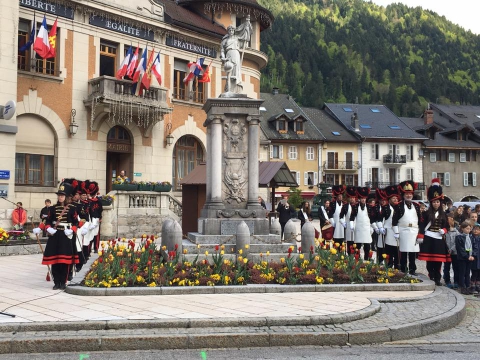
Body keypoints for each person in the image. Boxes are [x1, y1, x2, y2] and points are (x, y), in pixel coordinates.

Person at [36, 182, 80, 290]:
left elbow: (76, 223)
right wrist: (48, 228)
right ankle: (56, 282)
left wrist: (72, 230)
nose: (60, 197)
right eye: (59, 195)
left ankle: (63, 282)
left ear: (66, 197)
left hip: (66, 236)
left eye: (62, 195)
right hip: (55, 236)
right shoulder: (52, 208)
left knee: (64, 262)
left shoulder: (72, 209)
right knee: (54, 261)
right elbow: (48, 221)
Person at [417, 179, 450, 285]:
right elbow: (422, 225)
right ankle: (431, 275)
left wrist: (443, 230)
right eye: (434, 202)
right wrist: (421, 236)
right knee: (430, 260)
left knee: (438, 261)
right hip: (429, 238)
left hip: (439, 239)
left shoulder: (444, 214)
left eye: (438, 202)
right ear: (431, 203)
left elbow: (447, 227)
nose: (436, 203)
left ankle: (437, 277)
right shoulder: (426, 213)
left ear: (440, 203)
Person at [393, 180, 421, 275]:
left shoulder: (416, 206)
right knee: (404, 252)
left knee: (413, 252)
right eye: (407, 194)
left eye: (410, 194)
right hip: (403, 231)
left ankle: (413, 269)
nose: (408, 195)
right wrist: (396, 232)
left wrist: (420, 234)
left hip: (414, 231)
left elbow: (420, 220)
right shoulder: (399, 206)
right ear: (403, 195)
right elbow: (394, 220)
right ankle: (404, 268)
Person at [220, 16, 252, 93]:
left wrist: (247, 23)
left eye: (232, 30)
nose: (231, 31)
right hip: (228, 55)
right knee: (229, 71)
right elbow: (222, 50)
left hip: (236, 54)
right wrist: (223, 58)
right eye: (230, 30)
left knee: (236, 71)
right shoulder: (225, 40)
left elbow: (245, 35)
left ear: (234, 31)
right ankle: (229, 88)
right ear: (228, 31)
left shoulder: (236, 38)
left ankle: (236, 88)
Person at [349, 187, 374, 261]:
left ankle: (367, 258)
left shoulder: (369, 207)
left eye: (364, 198)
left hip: (366, 228)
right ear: (359, 199)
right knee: (358, 245)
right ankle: (357, 258)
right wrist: (351, 225)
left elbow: (372, 218)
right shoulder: (355, 207)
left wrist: (373, 227)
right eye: (362, 198)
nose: (363, 200)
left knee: (367, 245)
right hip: (359, 228)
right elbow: (352, 216)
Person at [380, 186, 401, 269]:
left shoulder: (400, 208)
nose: (395, 200)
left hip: (397, 231)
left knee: (397, 251)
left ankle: (397, 266)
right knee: (389, 250)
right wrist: (381, 227)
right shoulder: (385, 208)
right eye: (393, 198)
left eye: (396, 198)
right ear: (389, 200)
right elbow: (380, 219)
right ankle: (388, 265)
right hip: (388, 231)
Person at [455, 221, 476, 295]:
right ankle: (462, 287)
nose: (469, 230)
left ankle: (468, 286)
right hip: (463, 258)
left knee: (467, 273)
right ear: (462, 229)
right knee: (462, 272)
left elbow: (474, 247)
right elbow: (460, 249)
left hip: (470, 257)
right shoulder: (459, 237)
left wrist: (473, 255)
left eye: (469, 229)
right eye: (467, 228)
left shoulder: (471, 237)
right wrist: (467, 256)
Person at [443, 213, 460, 289]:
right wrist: (446, 249)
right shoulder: (444, 231)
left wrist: (452, 249)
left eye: (448, 218)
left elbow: (457, 242)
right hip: (446, 252)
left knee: (456, 267)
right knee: (446, 267)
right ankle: (447, 280)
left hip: (455, 253)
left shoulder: (457, 232)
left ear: (452, 219)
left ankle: (456, 281)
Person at [340, 186, 356, 254]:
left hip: (356, 225)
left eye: (353, 198)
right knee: (349, 241)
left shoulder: (358, 206)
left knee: (356, 241)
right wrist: (343, 223)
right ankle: (349, 254)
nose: (352, 199)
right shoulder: (345, 206)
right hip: (348, 225)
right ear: (349, 198)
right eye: (351, 198)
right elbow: (341, 216)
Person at [469, 224, 480, 293]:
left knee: (479, 272)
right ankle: (472, 285)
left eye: (477, 229)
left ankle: (478, 285)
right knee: (474, 272)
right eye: (474, 229)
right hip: (474, 257)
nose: (476, 231)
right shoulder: (471, 238)